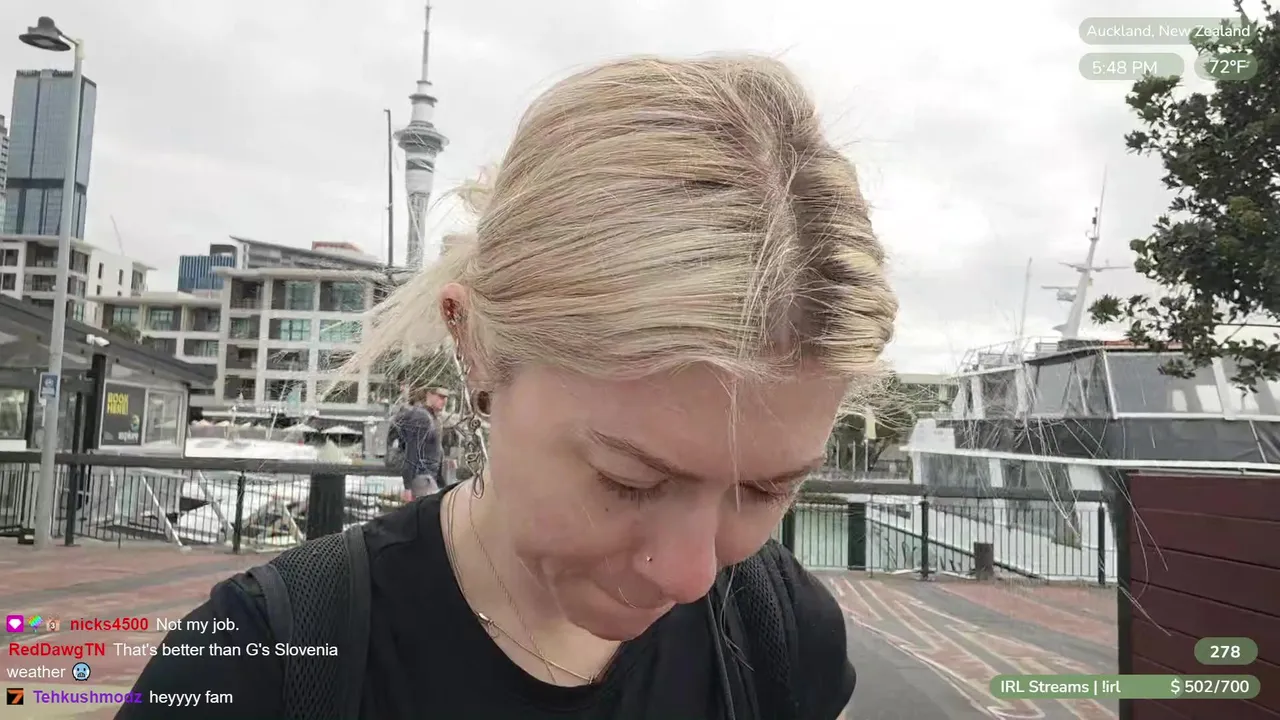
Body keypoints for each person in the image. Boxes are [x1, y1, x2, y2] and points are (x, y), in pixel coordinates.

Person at [115, 53, 895, 719]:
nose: (693, 576)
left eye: (765, 490)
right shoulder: (257, 664)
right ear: (476, 347)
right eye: (628, 481)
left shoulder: (785, 635)